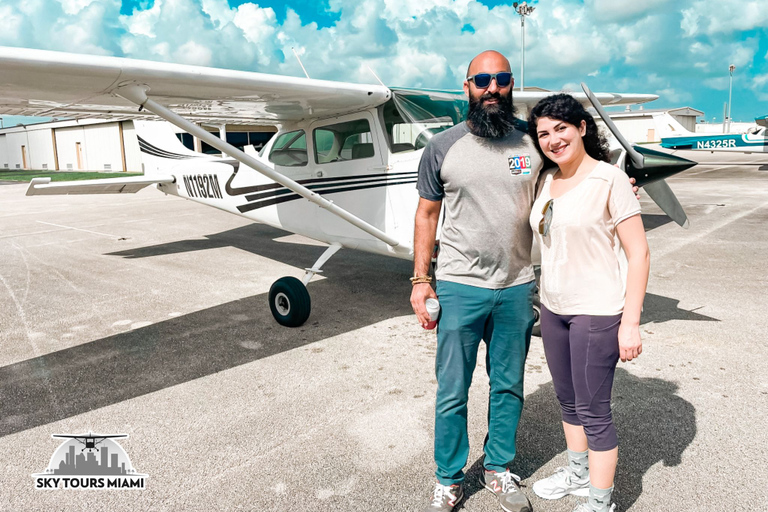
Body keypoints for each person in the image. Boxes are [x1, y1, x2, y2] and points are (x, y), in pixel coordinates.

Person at [411, 50, 540, 512]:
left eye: (501, 79)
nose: (492, 87)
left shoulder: (533, 143)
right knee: (452, 390)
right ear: (466, 87)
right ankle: (448, 478)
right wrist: (420, 280)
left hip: (516, 285)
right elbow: (427, 215)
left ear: (511, 85)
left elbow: (577, 175)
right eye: (481, 79)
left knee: (508, 385)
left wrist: (620, 184)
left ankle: (498, 469)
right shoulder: (442, 147)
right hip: (460, 286)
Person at [526, 94, 650, 512]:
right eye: (543, 133)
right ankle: (578, 474)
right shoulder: (546, 180)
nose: (553, 139)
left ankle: (601, 502)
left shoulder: (609, 179)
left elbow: (640, 253)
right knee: (567, 400)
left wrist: (629, 323)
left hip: (596, 310)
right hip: (554, 308)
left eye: (561, 127)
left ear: (582, 127)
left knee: (594, 410)